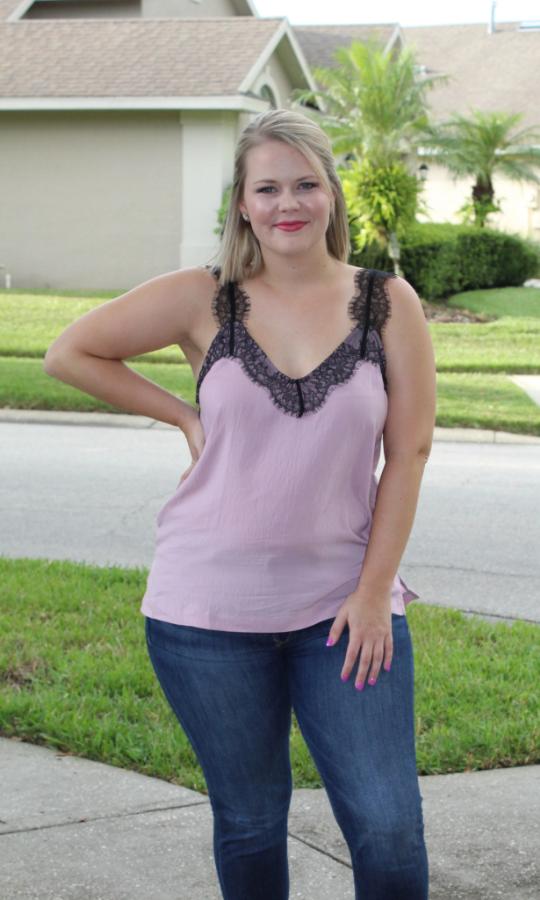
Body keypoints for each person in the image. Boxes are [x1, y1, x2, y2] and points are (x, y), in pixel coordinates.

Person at [44, 107, 436, 899]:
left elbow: (411, 454)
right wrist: (184, 414)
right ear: (243, 203)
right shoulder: (204, 297)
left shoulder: (387, 303)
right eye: (267, 188)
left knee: (389, 829)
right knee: (251, 822)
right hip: (205, 614)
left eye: (304, 184)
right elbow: (70, 352)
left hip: (344, 609)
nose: (287, 203)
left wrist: (372, 596)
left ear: (331, 194)